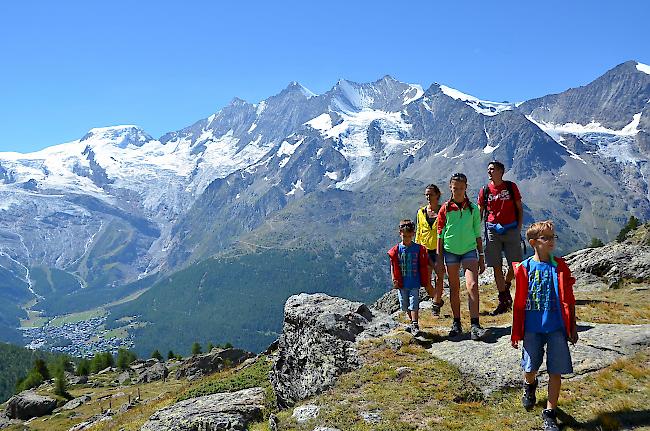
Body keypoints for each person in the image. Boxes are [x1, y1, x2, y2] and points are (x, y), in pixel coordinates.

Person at [511, 220, 578, 431]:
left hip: (556, 327)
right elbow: (518, 301)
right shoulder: (525, 267)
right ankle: (529, 385)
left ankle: (550, 412)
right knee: (529, 367)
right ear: (533, 242)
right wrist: (516, 331)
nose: (551, 241)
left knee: (555, 370)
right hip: (532, 327)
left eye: (552, 237)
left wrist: (572, 325)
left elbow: (569, 297)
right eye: (545, 238)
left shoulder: (559, 266)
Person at [436, 173, 488, 341]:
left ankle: (475, 324)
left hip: (469, 250)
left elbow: (477, 234)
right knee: (454, 288)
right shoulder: (444, 209)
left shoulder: (473, 209)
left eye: (461, 188)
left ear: (466, 187)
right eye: (454, 188)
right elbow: (440, 235)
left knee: (472, 285)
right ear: (450, 188)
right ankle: (456, 322)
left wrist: (481, 256)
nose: (457, 191)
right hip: (450, 251)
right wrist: (439, 259)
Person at [477, 160, 523, 315]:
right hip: (492, 231)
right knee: (496, 265)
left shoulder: (511, 187)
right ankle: (504, 300)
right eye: (488, 169)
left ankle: (506, 283)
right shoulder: (484, 190)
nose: (489, 172)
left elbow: (519, 207)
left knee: (515, 265)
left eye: (492, 169)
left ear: (501, 171)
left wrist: (518, 227)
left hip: (511, 229)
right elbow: (480, 212)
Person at [388, 219, 431, 336]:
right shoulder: (396, 250)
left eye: (409, 236)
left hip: (414, 282)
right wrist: (394, 279)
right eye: (404, 236)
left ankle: (415, 323)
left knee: (414, 303)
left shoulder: (418, 249)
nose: (406, 238)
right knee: (404, 303)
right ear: (400, 233)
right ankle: (412, 322)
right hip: (402, 283)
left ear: (413, 234)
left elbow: (423, 264)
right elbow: (393, 265)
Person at [415, 184, 445, 316]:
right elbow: (419, 232)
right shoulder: (421, 212)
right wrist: (416, 248)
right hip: (424, 250)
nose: (428, 197)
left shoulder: (443, 211)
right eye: (426, 194)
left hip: (439, 250)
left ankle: (436, 304)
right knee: (426, 282)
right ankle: (436, 299)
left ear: (437, 195)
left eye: (431, 194)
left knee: (439, 278)